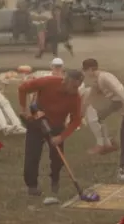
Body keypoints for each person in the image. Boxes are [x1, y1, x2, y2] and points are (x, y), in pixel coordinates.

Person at [19, 66, 85, 205]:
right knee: (32, 154)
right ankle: (32, 186)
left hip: (56, 127)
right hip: (37, 121)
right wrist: (24, 109)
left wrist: (61, 137)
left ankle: (55, 181)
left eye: (78, 87)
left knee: (57, 159)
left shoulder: (75, 98)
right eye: (74, 86)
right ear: (66, 81)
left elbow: (76, 120)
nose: (76, 90)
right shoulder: (48, 82)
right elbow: (23, 88)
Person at [80, 58, 124, 157]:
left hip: (118, 101)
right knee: (98, 118)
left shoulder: (104, 77)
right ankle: (107, 144)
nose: (85, 73)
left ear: (90, 69)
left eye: (85, 71)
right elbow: (91, 95)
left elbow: (118, 88)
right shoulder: (98, 79)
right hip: (115, 100)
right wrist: (83, 109)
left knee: (96, 119)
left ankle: (104, 145)